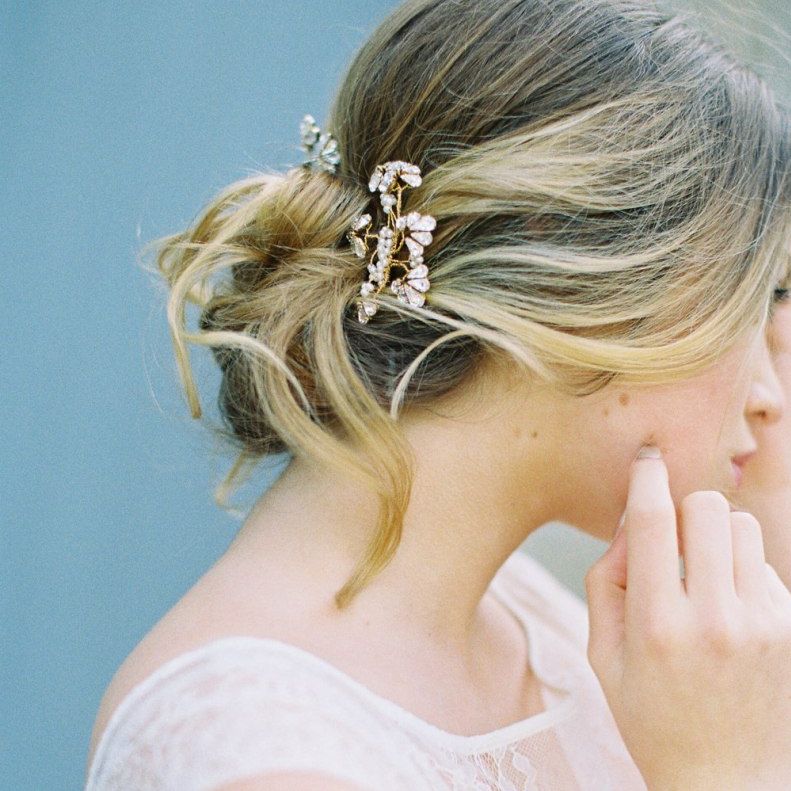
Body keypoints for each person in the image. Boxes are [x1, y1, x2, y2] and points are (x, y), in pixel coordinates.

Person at [83, 0, 791, 789]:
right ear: (576, 287)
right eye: (755, 303)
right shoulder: (268, 756)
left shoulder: (535, 624)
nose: (769, 393)